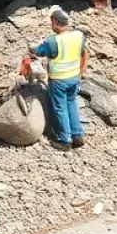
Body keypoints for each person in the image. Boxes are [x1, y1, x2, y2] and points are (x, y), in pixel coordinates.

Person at [30, 8, 88, 150]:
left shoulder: (53, 41)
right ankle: (77, 135)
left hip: (59, 80)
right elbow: (84, 53)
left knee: (60, 107)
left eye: (51, 23)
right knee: (71, 103)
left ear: (55, 23)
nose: (51, 26)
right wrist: (82, 72)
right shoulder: (78, 36)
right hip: (74, 77)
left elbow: (40, 51)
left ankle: (64, 139)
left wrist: (31, 48)